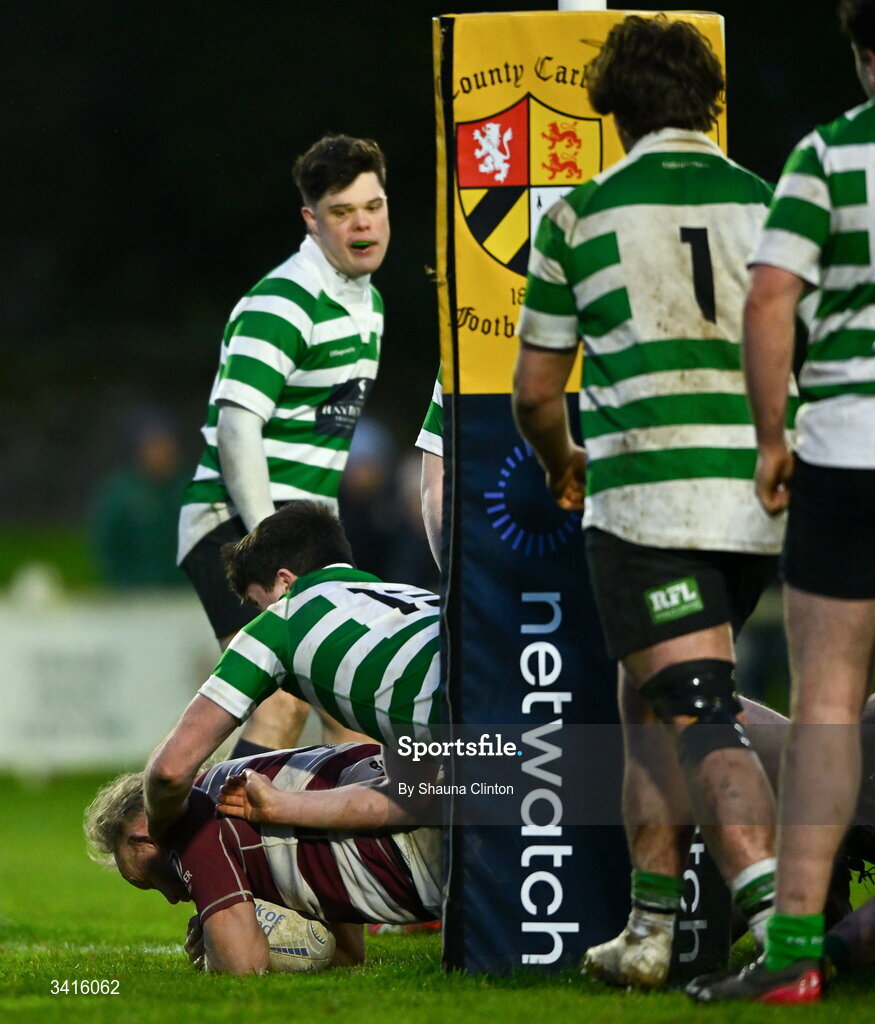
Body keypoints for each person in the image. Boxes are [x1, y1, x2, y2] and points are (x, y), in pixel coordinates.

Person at [511, 15, 792, 991]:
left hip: (650, 508)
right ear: (705, 100)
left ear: (610, 107)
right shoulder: (767, 202)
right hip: (757, 507)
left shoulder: (580, 215)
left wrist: (560, 461)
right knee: (643, 701)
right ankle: (647, 929)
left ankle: (775, 917)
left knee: (694, 710)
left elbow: (534, 392)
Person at [688, 0, 875, 1002]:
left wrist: (771, 434)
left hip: (846, 448)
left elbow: (769, 299)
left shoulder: (827, 157)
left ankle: (794, 950)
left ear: (860, 54)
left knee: (828, 702)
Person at [177, 134, 390, 759]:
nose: (362, 223)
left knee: (352, 708)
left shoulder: (366, 302)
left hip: (301, 535)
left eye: (372, 206)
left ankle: (344, 856)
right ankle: (205, 854)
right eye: (342, 212)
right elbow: (237, 429)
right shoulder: (285, 299)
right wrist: (269, 542)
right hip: (236, 526)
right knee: (280, 702)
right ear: (311, 220)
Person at [144, 500, 441, 842]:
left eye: (258, 603)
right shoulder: (405, 601)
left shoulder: (279, 622)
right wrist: (279, 805)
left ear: (285, 583)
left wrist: (161, 832)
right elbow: (408, 802)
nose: (259, 614)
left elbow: (169, 771)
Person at [85, 742, 441, 975]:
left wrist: (217, 951)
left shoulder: (192, 817)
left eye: (150, 878)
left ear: (145, 833)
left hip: (424, 839)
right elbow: (348, 956)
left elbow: (242, 968)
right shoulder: (238, 801)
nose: (173, 897)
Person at [90, 411, 188, 589]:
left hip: (182, 592)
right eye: (153, 446)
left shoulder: (189, 491)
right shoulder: (122, 494)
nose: (160, 453)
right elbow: (107, 544)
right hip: (134, 593)